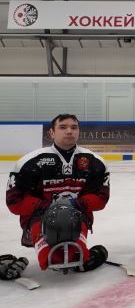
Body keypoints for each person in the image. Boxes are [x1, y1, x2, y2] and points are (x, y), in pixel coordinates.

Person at [6, 114, 109, 272]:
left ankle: (83, 254)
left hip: (77, 214)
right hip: (39, 216)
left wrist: (75, 204)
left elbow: (101, 198)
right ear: (51, 133)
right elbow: (14, 201)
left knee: (76, 258)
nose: (69, 131)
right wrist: (45, 206)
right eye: (63, 127)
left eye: (74, 127)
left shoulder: (95, 162)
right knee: (51, 259)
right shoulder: (29, 162)